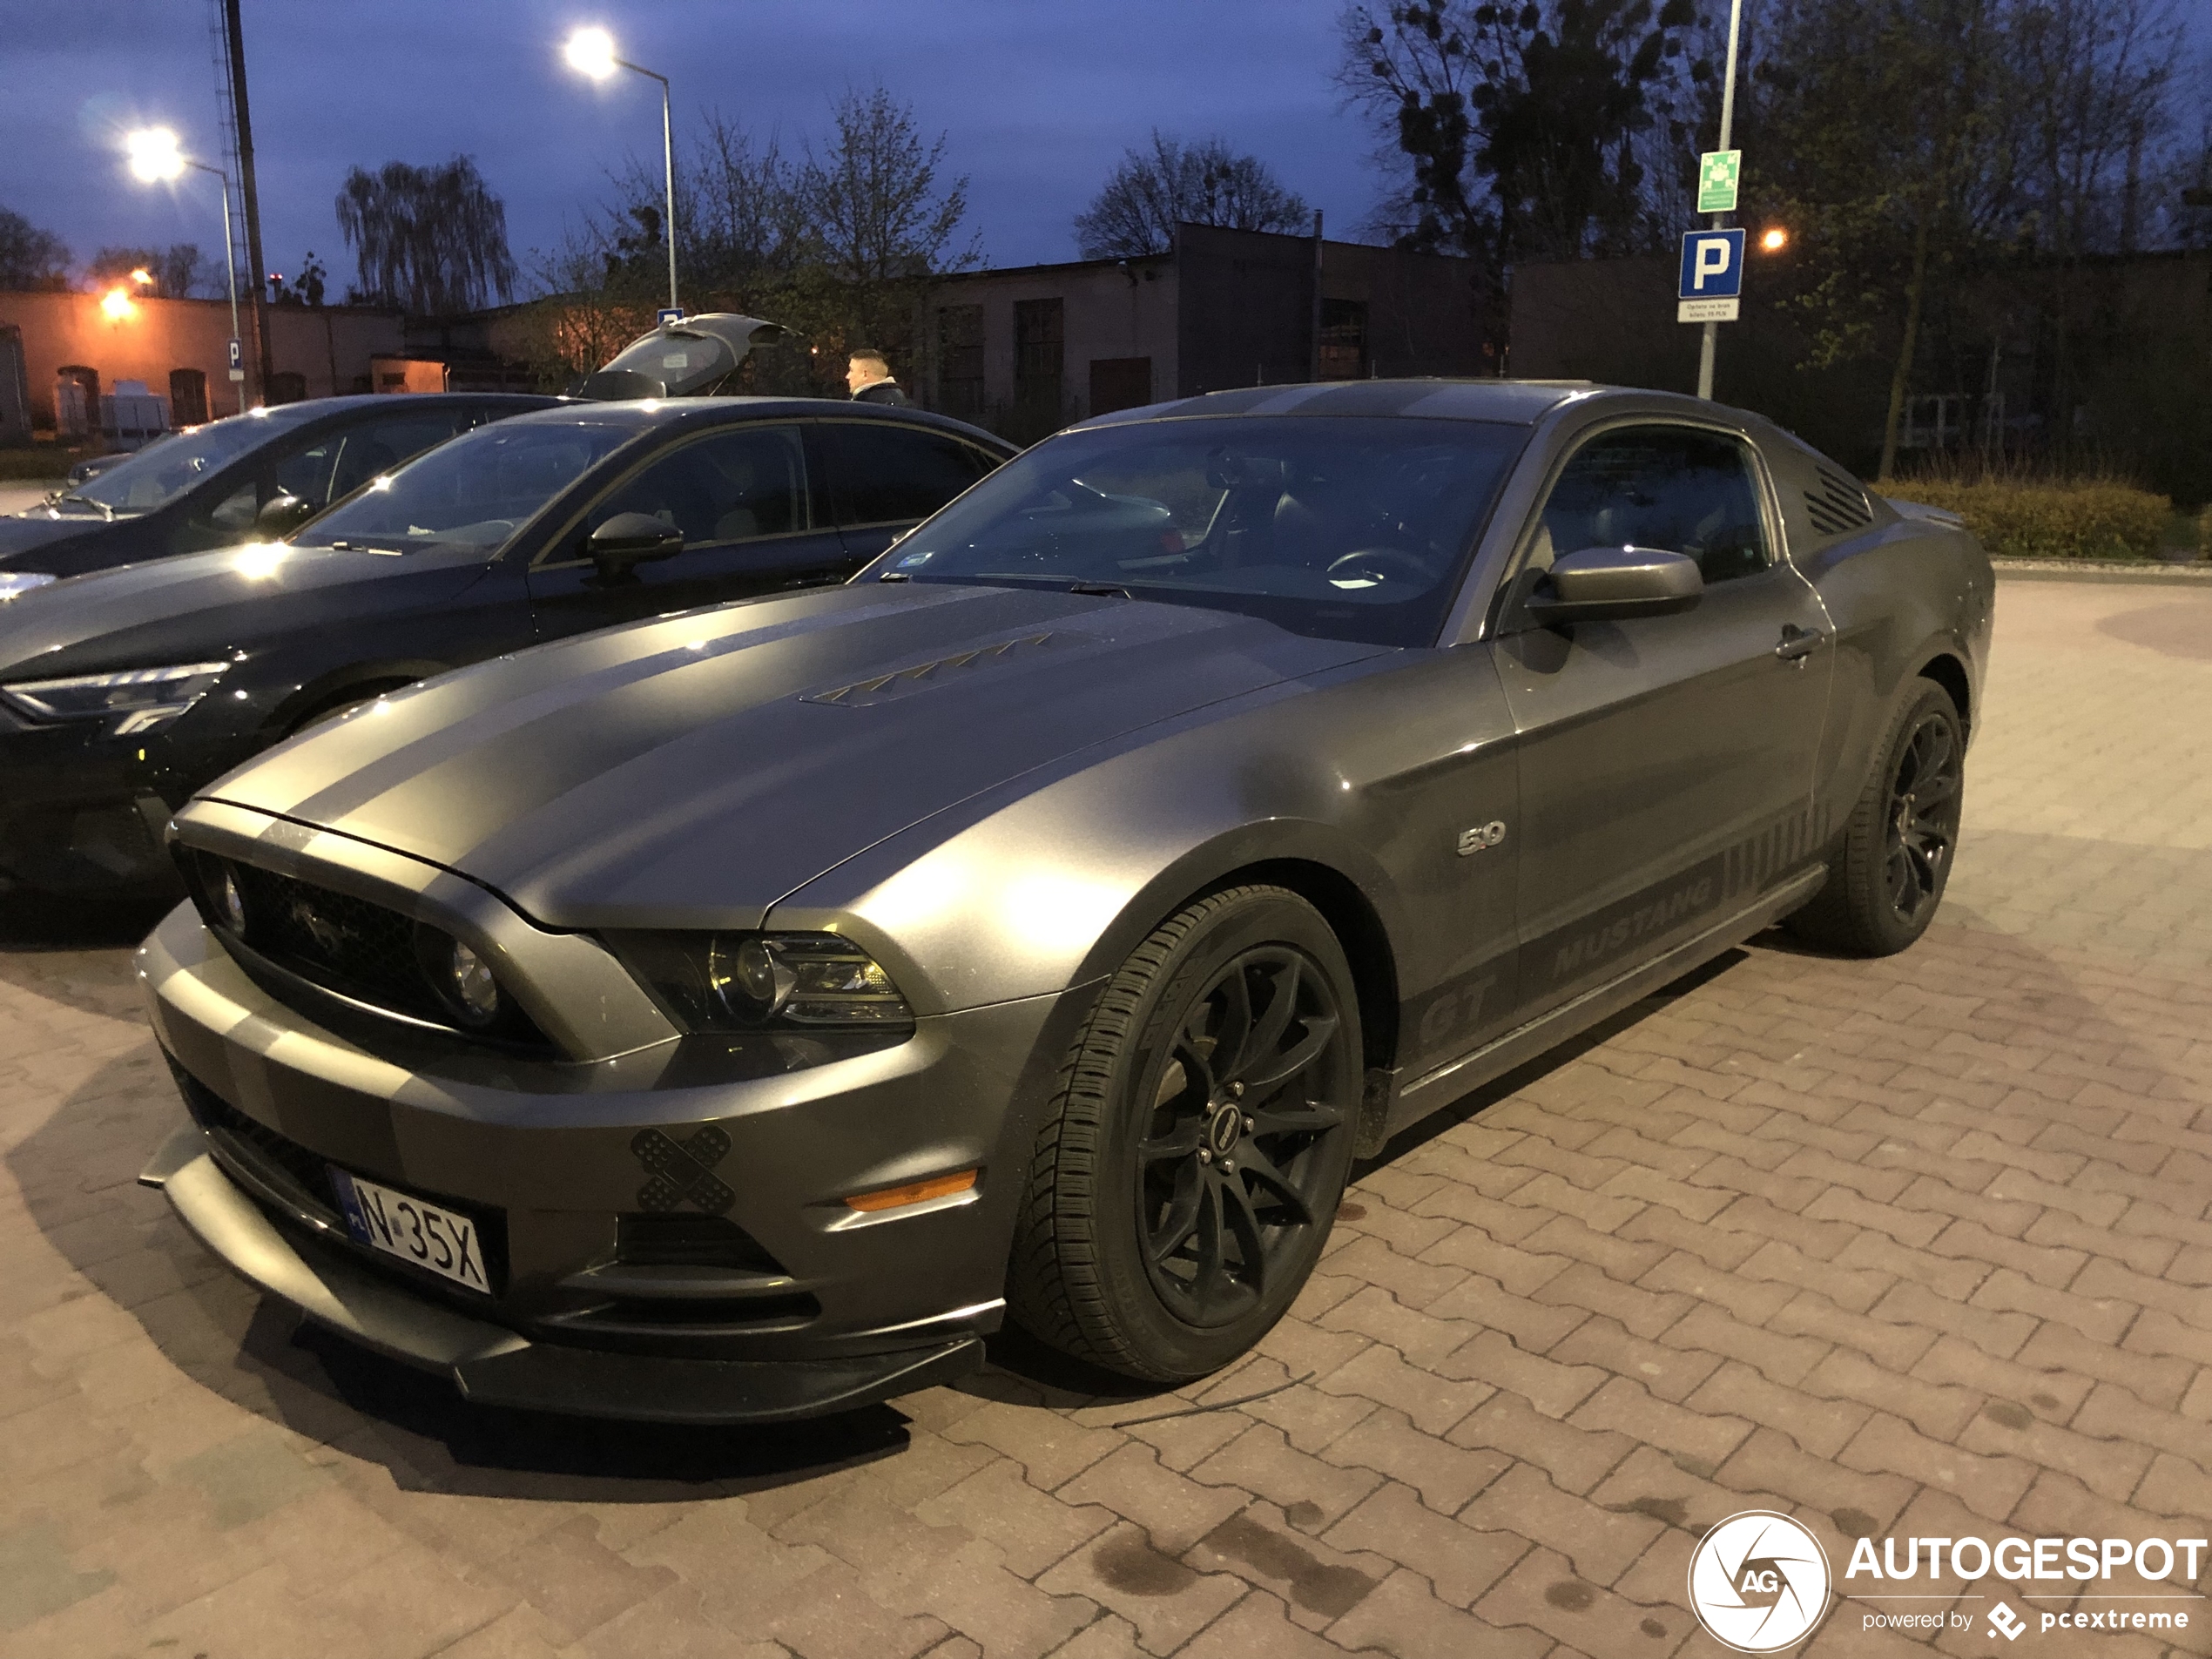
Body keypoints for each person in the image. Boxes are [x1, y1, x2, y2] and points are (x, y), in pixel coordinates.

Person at [846, 347, 912, 407]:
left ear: (865, 374)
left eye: (851, 370)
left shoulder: (865, 406)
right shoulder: (901, 401)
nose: (847, 376)